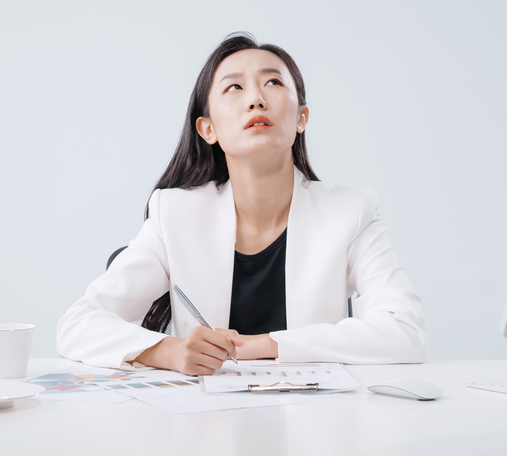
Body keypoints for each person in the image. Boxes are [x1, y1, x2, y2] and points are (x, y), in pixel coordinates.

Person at [56, 32, 427, 376]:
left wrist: (262, 346)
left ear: (301, 118)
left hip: (315, 416)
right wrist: (170, 351)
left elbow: (405, 331)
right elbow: (78, 324)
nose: (255, 99)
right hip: (206, 418)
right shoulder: (174, 214)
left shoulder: (351, 210)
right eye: (234, 87)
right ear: (208, 129)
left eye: (273, 82)